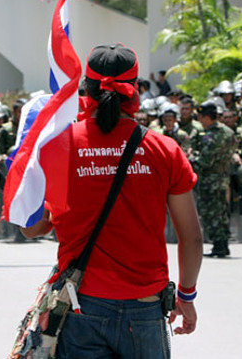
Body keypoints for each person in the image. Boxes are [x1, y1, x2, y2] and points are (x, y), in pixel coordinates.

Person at [19, 44, 202, 358]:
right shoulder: (164, 149)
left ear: (85, 92)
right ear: (135, 92)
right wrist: (186, 296)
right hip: (145, 307)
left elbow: (32, 228)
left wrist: (26, 161)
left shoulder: (59, 147)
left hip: (81, 305)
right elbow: (192, 238)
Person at [190, 101, 236, 258]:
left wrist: (189, 157)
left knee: (211, 212)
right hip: (223, 178)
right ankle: (223, 244)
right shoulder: (228, 131)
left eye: (201, 117)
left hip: (210, 180)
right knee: (222, 211)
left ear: (207, 117)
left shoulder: (212, 135)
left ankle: (218, 245)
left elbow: (204, 162)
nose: (200, 121)